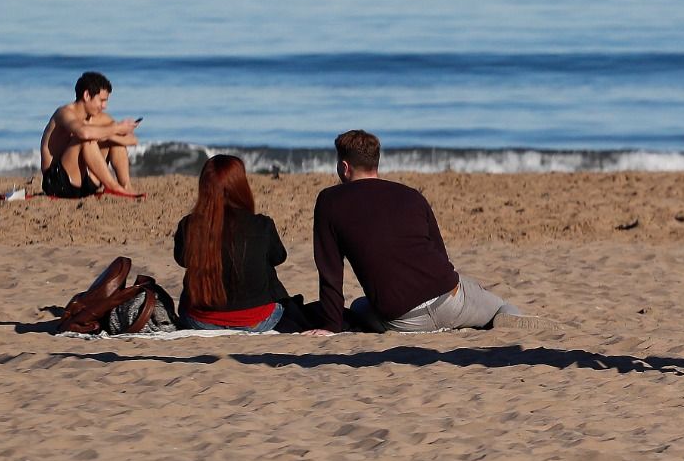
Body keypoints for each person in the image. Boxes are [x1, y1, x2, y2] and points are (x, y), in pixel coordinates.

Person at [312, 129, 529, 333]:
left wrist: (331, 327)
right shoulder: (410, 195)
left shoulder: (329, 201)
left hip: (401, 318)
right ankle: (511, 325)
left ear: (344, 167)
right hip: (449, 300)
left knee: (360, 305)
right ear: (376, 163)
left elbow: (330, 272)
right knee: (501, 306)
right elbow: (440, 254)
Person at [174, 155, 305, 332]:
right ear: (240, 186)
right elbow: (279, 257)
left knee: (196, 274)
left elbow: (182, 260)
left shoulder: (189, 225)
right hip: (259, 320)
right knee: (266, 267)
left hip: (201, 320)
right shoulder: (261, 224)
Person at [39, 71, 140, 198]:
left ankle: (126, 186)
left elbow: (132, 140)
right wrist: (115, 128)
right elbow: (83, 133)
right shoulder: (64, 113)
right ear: (87, 95)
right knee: (86, 138)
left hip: (85, 182)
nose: (105, 106)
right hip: (58, 183)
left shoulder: (96, 117)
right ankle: (113, 186)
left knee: (112, 139)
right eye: (102, 100)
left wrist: (109, 135)